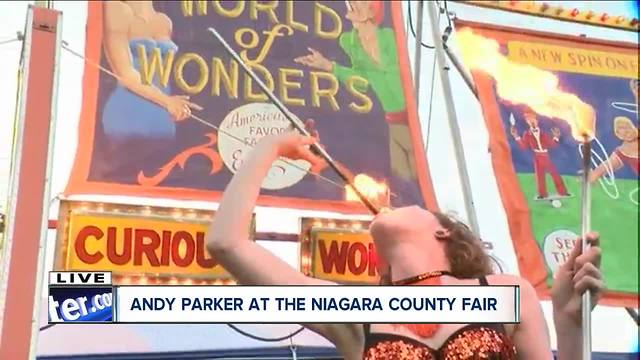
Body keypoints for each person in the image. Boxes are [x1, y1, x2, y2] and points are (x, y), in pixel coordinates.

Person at [206, 131, 604, 359]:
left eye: (404, 203)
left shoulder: (506, 292)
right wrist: (267, 150)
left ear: (442, 232)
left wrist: (570, 321)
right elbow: (227, 243)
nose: (386, 202)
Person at [294, 0, 417, 183]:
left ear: (371, 11)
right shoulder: (349, 41)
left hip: (414, 122)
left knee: (419, 178)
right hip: (391, 122)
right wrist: (327, 65)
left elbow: (390, 74)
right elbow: (361, 82)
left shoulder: (390, 37)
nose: (352, 3)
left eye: (360, 2)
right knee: (403, 183)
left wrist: (332, 66)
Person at [98, 1, 201, 182]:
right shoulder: (117, 9)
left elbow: (162, 75)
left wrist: (174, 104)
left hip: (163, 119)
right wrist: (166, 101)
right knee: (120, 183)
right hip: (128, 115)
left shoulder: (164, 21)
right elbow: (125, 73)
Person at [510, 107, 570, 199]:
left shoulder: (543, 133)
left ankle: (562, 192)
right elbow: (523, 146)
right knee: (539, 176)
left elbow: (551, 144)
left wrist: (556, 137)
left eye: (533, 119)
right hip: (537, 156)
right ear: (527, 122)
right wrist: (516, 136)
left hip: (545, 155)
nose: (531, 122)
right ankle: (542, 194)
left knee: (554, 173)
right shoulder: (527, 134)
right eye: (529, 120)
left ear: (536, 120)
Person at [590, 116, 639, 182]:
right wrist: (594, 174)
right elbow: (608, 165)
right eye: (623, 134)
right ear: (618, 135)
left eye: (628, 129)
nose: (628, 134)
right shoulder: (623, 151)